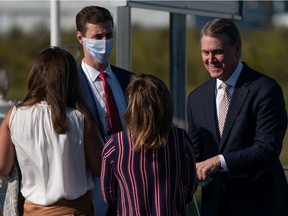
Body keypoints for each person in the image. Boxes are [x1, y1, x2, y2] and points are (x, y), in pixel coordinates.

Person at [187, 18, 288, 216]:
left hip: (260, 205)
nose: (210, 59)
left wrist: (219, 161)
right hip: (215, 206)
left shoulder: (266, 90)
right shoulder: (196, 98)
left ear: (237, 49)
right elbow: (195, 154)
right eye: (205, 52)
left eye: (217, 52)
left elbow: (267, 149)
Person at [0, 46, 103, 215]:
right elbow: (100, 167)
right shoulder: (80, 119)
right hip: (74, 210)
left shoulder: (14, 115)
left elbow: (3, 167)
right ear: (69, 80)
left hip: (32, 211)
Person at [101, 74, 197, 215]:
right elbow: (190, 186)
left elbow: (108, 194)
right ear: (165, 104)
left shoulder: (115, 146)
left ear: (132, 106)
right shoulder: (181, 140)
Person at [75, 5, 134, 215]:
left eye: (108, 35)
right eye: (97, 36)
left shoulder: (130, 80)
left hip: (130, 184)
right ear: (81, 38)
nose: (104, 42)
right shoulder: (71, 85)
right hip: (91, 186)